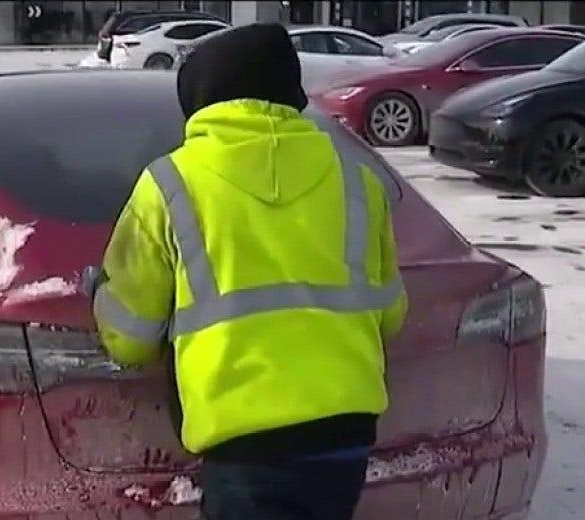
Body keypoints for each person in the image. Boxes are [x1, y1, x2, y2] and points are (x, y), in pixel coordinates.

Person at [84, 24, 407, 520]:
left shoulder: (170, 184)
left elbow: (129, 336)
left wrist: (100, 294)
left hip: (244, 443)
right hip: (345, 437)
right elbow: (390, 314)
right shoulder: (357, 181)